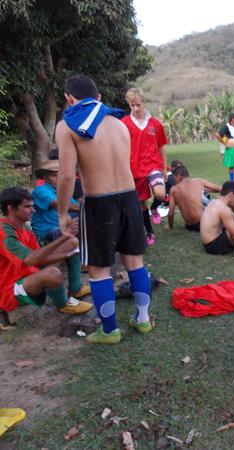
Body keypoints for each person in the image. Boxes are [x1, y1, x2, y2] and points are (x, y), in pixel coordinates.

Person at [56, 74, 153, 344]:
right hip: (129, 197)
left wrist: (62, 214)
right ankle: (142, 319)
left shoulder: (67, 125)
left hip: (99, 202)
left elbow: (66, 176)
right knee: (135, 262)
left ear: (69, 98)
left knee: (99, 269)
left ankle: (109, 331)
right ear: (97, 96)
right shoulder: (119, 123)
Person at [0, 187, 92, 315]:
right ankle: (63, 304)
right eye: (27, 207)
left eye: (32, 206)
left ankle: (75, 290)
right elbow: (30, 260)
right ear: (11, 208)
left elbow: (39, 259)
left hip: (30, 272)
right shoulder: (3, 232)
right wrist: (64, 239)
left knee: (72, 243)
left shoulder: (25, 227)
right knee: (52, 274)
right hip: (9, 288)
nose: (33, 210)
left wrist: (68, 251)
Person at [31, 160, 89, 299]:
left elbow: (76, 205)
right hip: (46, 231)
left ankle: (76, 285)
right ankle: (48, 283)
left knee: (84, 227)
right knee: (73, 242)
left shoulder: (61, 190)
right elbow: (59, 204)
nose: (58, 178)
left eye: (60, 174)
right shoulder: (41, 190)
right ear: (45, 177)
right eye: (53, 175)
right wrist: (90, 207)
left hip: (61, 228)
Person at [121, 87, 168, 245]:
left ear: (144, 102)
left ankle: (155, 208)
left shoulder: (155, 124)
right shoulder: (124, 123)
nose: (135, 108)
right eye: (132, 105)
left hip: (153, 166)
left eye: (138, 105)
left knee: (160, 194)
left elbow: (161, 147)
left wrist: (164, 169)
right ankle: (149, 232)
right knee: (141, 203)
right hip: (134, 169)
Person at [167, 165, 222, 232]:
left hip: (190, 226)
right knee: (215, 203)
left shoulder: (173, 189)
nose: (174, 181)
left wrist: (170, 226)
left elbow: (171, 213)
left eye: (174, 178)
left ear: (178, 176)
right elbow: (220, 189)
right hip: (204, 223)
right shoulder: (198, 181)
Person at [215, 113, 234, 182]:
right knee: (231, 166)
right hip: (231, 149)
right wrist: (225, 143)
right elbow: (217, 135)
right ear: (233, 119)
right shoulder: (227, 127)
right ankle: (232, 181)